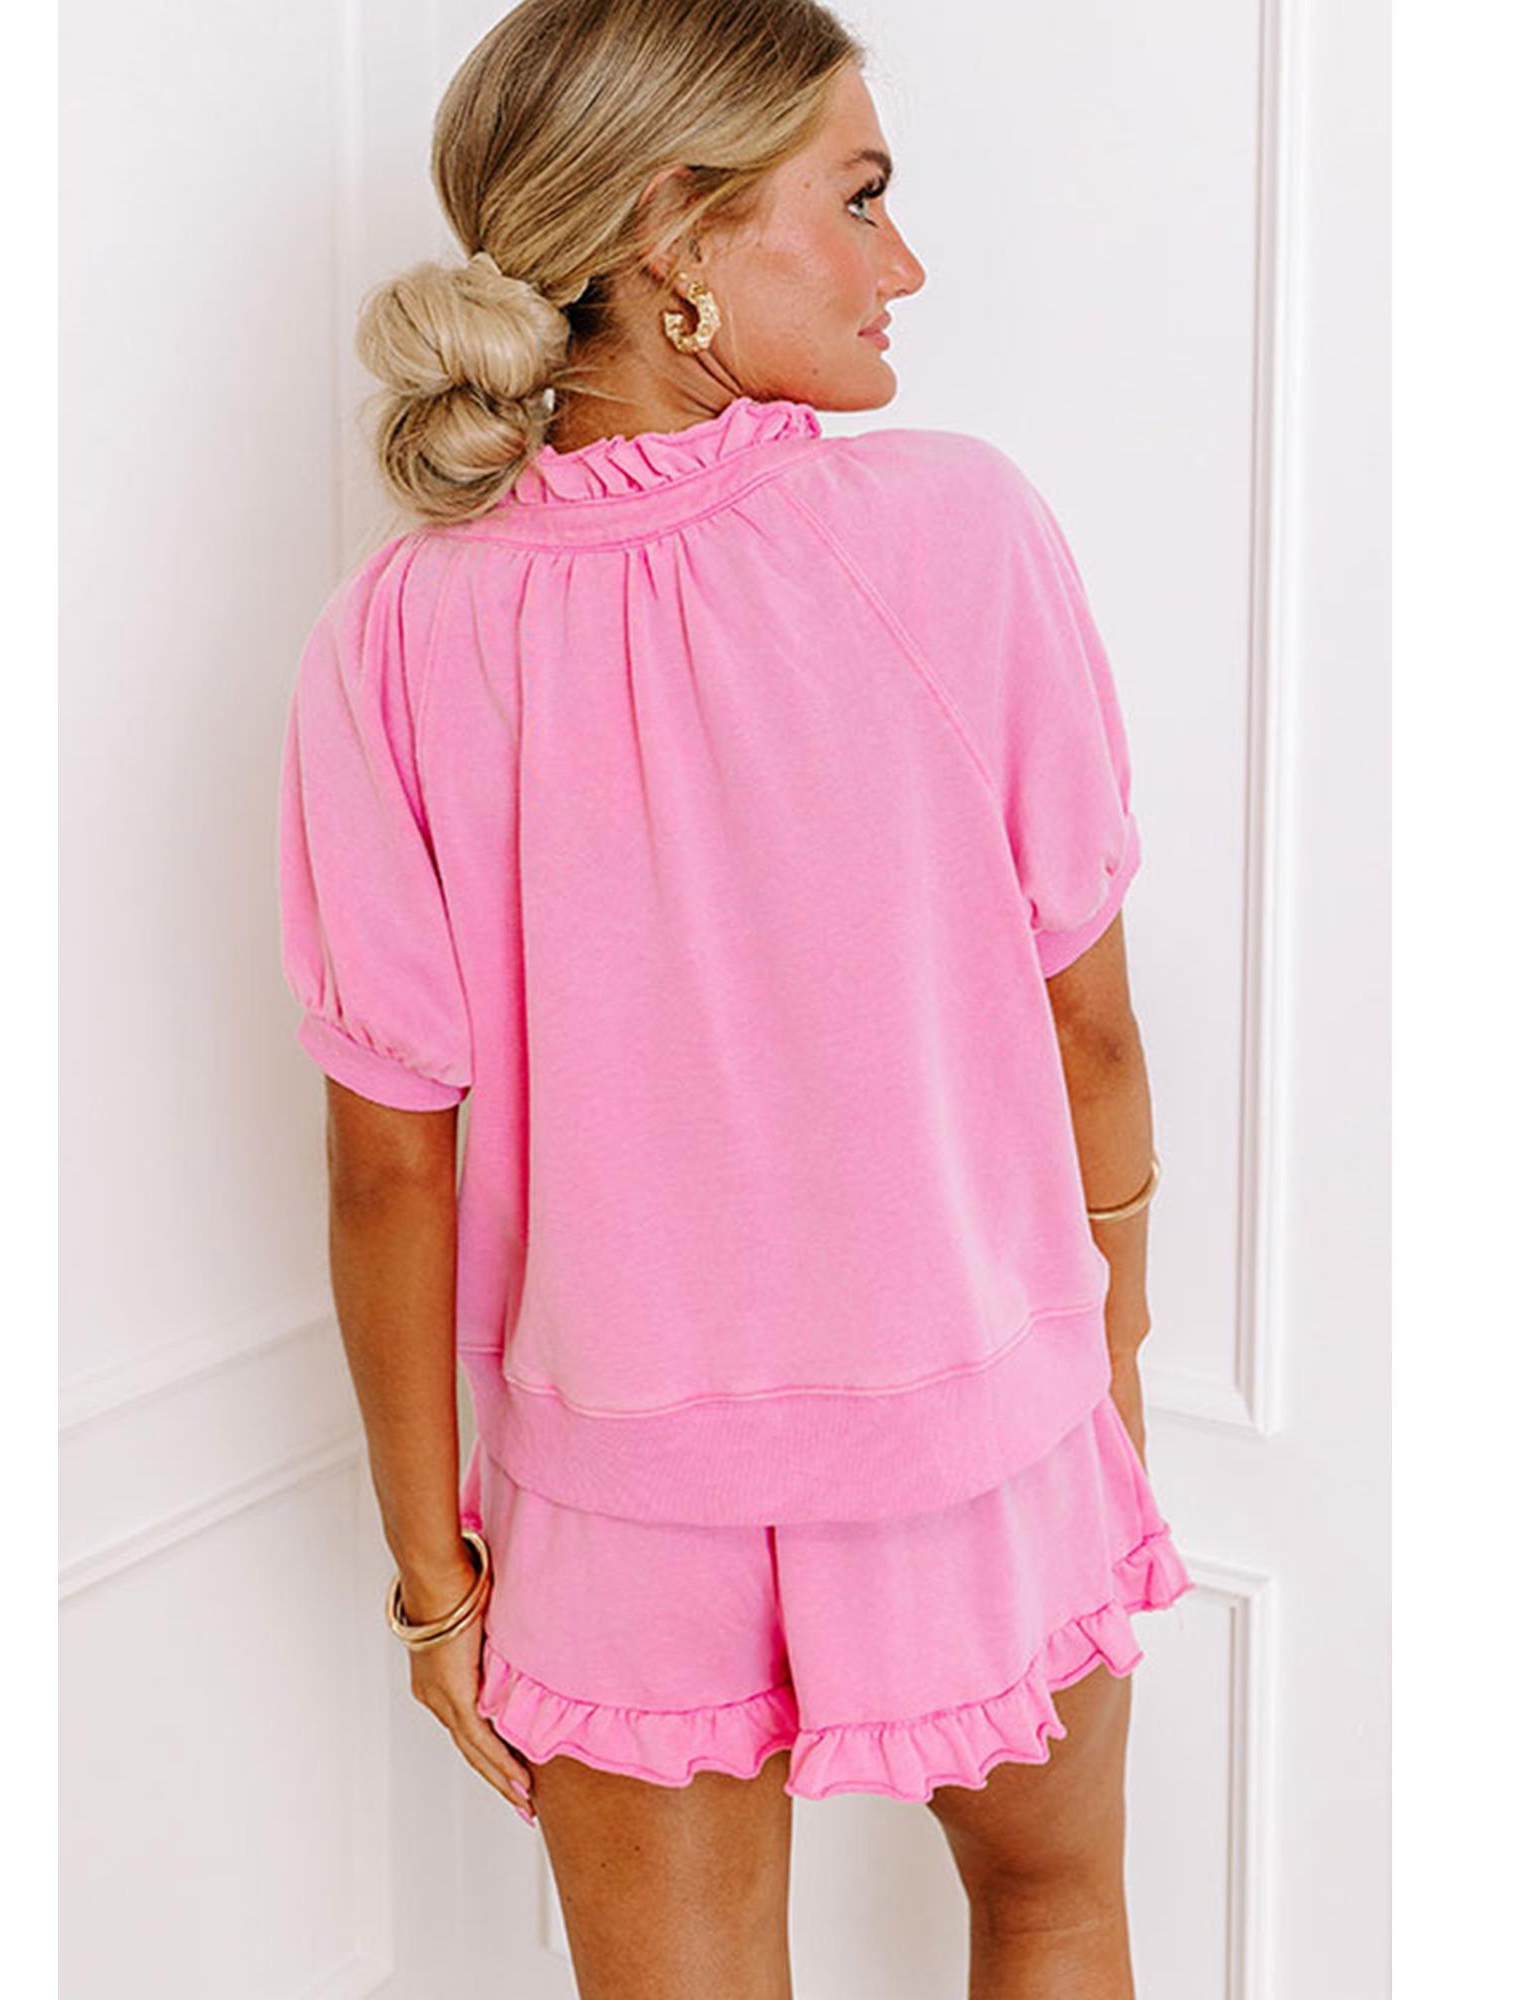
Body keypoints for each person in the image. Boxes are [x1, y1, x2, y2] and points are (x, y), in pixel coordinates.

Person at [275, 3, 1192, 1994]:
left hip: (621, 1509)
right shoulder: (955, 528)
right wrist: (1109, 1344)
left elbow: (385, 1167)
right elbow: (1092, 1031)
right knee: (1050, 1903)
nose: (902, 263)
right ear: (672, 233)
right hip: (979, 1427)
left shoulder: (395, 635)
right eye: (858, 199)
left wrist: (435, 1580)